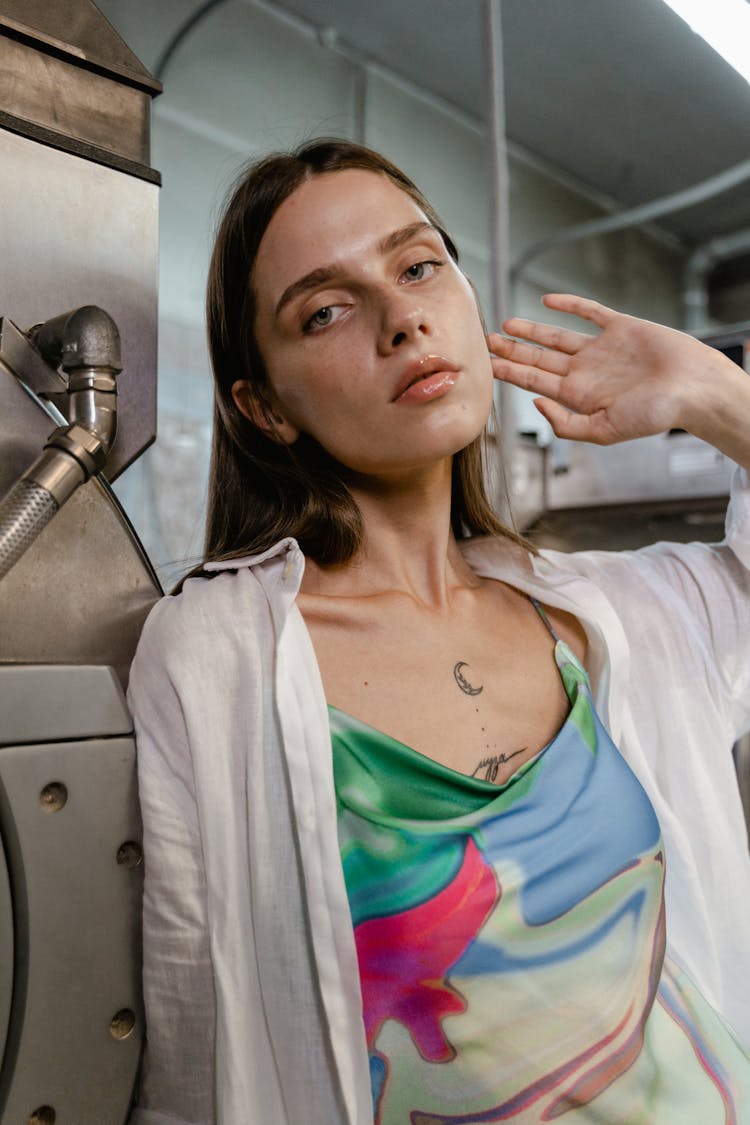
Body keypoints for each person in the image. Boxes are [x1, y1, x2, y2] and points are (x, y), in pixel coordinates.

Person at [127, 139, 750, 1125]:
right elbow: (195, 1025)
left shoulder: (618, 618)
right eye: (325, 311)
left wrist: (719, 396)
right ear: (264, 406)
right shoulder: (220, 656)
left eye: (418, 266)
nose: (400, 318)